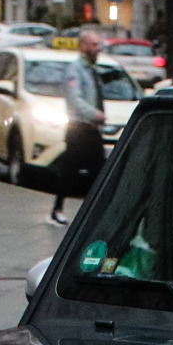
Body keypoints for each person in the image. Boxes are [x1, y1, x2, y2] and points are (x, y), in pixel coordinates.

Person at [48, 27, 109, 226]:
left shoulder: (92, 69)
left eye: (98, 44)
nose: (97, 48)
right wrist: (96, 113)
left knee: (99, 171)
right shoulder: (75, 70)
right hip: (79, 129)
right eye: (93, 44)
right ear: (83, 46)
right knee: (69, 170)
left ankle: (94, 212)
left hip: (91, 129)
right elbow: (75, 100)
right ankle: (58, 209)